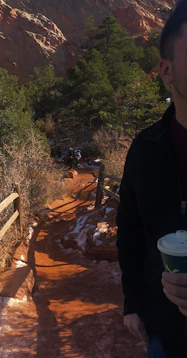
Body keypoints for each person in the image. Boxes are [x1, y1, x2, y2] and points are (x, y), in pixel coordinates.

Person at [117, 3, 187, 357]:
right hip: (164, 335)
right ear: (166, 70)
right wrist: (132, 302)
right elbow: (129, 231)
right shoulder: (145, 149)